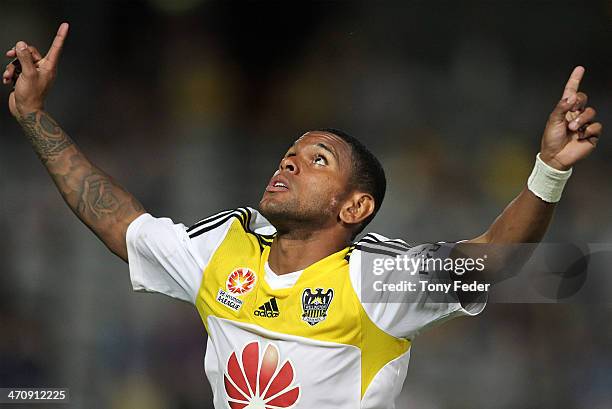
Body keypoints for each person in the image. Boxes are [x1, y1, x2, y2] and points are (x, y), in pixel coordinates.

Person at [3, 23, 603, 408]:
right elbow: (114, 218)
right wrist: (32, 114)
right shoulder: (226, 249)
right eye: (289, 153)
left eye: (316, 159)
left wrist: (548, 169)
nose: (289, 163)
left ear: (356, 205)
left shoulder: (374, 279)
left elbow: (495, 263)